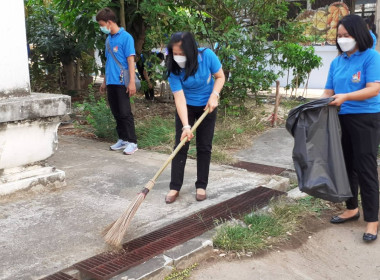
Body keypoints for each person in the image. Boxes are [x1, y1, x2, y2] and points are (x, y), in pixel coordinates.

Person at [321, 14, 380, 242]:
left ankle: (372, 220)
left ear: (359, 35)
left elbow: (373, 89)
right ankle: (352, 208)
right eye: (339, 36)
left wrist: (345, 97)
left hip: (366, 118)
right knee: (346, 166)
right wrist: (318, 103)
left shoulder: (371, 58)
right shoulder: (337, 62)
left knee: (365, 168)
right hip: (340, 118)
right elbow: (328, 91)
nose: (343, 39)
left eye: (347, 35)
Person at [165, 32, 225, 204]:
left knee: (204, 147)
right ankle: (175, 186)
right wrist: (186, 126)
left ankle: (201, 185)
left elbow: (220, 76)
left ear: (191, 51)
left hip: (207, 106)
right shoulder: (173, 68)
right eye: (175, 53)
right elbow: (179, 97)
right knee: (181, 145)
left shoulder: (207, 56)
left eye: (181, 54)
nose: (178, 57)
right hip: (186, 106)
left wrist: (214, 94)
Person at [96, 7, 138, 155]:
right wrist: (104, 81)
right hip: (111, 81)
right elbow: (108, 61)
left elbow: (130, 60)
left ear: (109, 22)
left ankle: (132, 142)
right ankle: (123, 139)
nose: (101, 28)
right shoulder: (109, 39)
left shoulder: (126, 37)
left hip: (122, 81)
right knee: (116, 112)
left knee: (125, 112)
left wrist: (132, 82)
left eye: (101, 25)